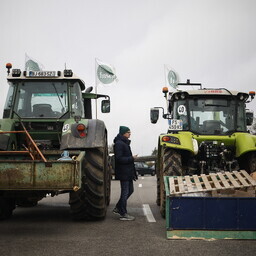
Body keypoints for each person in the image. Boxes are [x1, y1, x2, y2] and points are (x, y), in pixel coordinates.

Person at [112, 126, 137, 221]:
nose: (130, 134)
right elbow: (119, 159)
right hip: (123, 172)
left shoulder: (124, 143)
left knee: (130, 190)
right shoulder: (119, 144)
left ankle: (118, 207)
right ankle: (123, 213)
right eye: (128, 132)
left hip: (127, 172)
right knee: (125, 192)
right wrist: (131, 158)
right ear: (123, 133)